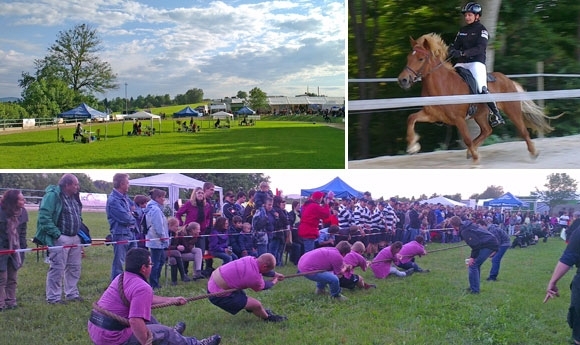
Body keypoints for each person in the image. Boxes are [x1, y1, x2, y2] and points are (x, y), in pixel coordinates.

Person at [88, 248, 221, 345]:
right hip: (112, 338)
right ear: (143, 268)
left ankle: (167, 336)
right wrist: (147, 341)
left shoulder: (121, 277)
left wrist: (172, 300)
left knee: (149, 318)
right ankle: (194, 343)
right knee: (165, 332)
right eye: (150, 264)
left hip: (96, 330)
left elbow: (145, 301)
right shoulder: (142, 287)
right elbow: (135, 321)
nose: (151, 266)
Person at [448, 2, 505, 127]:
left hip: (476, 63)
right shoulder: (462, 31)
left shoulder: (482, 30)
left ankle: (496, 114)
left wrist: (463, 53)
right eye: (466, 15)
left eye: (469, 15)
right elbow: (455, 46)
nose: (467, 17)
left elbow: (480, 48)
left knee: (481, 88)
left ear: (477, 16)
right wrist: (451, 50)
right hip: (462, 64)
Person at [35, 173, 84, 304]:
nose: (77, 187)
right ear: (67, 185)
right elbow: (44, 217)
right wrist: (57, 234)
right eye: (75, 184)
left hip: (75, 237)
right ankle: (54, 297)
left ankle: (72, 294)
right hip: (60, 238)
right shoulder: (52, 196)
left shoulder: (74, 197)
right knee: (57, 268)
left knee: (74, 267)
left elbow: (78, 215)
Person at [207, 253, 286, 322]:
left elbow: (261, 269)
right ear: (265, 266)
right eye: (269, 269)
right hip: (216, 294)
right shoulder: (254, 277)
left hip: (213, 281)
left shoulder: (249, 259)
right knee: (256, 305)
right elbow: (263, 286)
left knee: (243, 295)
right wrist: (273, 282)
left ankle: (252, 309)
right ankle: (268, 318)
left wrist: (275, 274)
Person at [449, 215, 498, 294]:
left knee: (472, 265)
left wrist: (472, 257)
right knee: (475, 265)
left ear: (453, 225)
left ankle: (475, 290)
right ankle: (474, 287)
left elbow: (475, 245)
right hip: (489, 242)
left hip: (488, 244)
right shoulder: (466, 225)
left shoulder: (465, 231)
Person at [107, 173, 138, 281]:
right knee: (119, 264)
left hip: (132, 233)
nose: (129, 185)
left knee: (134, 261)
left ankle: (131, 283)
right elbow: (125, 218)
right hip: (120, 235)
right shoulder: (113, 200)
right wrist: (132, 215)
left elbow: (137, 211)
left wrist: (132, 214)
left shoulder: (125, 198)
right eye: (127, 183)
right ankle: (116, 287)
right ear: (121, 184)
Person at [0, 189, 27, 311]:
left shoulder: (23, 213)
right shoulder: (1, 212)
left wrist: (22, 251)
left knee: (12, 277)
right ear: (13, 201)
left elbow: (22, 234)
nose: (24, 200)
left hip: (15, 250)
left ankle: (11, 301)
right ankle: (0, 303)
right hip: (2, 249)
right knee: (2, 278)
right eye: (21, 199)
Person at [175, 188, 213, 274]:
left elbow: (208, 217)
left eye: (202, 193)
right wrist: (181, 224)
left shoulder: (206, 205)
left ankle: (198, 272)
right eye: (198, 193)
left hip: (201, 232)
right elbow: (178, 214)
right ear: (194, 194)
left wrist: (206, 225)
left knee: (201, 251)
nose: (200, 194)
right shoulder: (189, 204)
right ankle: (184, 272)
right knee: (187, 250)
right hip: (189, 232)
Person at [145, 189, 170, 289]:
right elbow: (158, 226)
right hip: (156, 240)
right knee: (156, 263)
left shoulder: (154, 208)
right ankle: (154, 283)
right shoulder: (155, 210)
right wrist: (163, 237)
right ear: (158, 198)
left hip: (156, 240)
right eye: (163, 197)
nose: (164, 199)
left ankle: (156, 281)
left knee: (160, 260)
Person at [167, 217, 192, 286]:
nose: (178, 228)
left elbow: (185, 246)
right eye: (176, 226)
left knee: (173, 260)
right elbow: (165, 246)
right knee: (176, 252)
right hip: (165, 252)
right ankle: (183, 275)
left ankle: (174, 281)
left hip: (173, 254)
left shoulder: (177, 234)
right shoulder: (166, 234)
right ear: (170, 226)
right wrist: (176, 247)